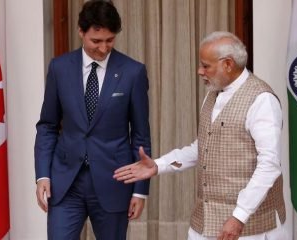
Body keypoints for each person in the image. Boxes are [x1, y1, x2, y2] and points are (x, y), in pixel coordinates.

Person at [114, 31, 286, 240]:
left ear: (228, 64)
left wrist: (239, 216)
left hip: (251, 228)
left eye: (206, 65)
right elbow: (203, 147)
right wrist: (158, 165)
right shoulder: (212, 95)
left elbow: (269, 165)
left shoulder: (262, 100)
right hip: (204, 222)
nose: (199, 71)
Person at [34, 1, 151, 239]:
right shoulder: (59, 68)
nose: (103, 48)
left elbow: (140, 135)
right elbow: (47, 126)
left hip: (114, 182)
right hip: (66, 183)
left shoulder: (133, 72)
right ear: (81, 31)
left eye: (110, 40)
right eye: (96, 41)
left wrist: (140, 191)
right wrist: (43, 175)